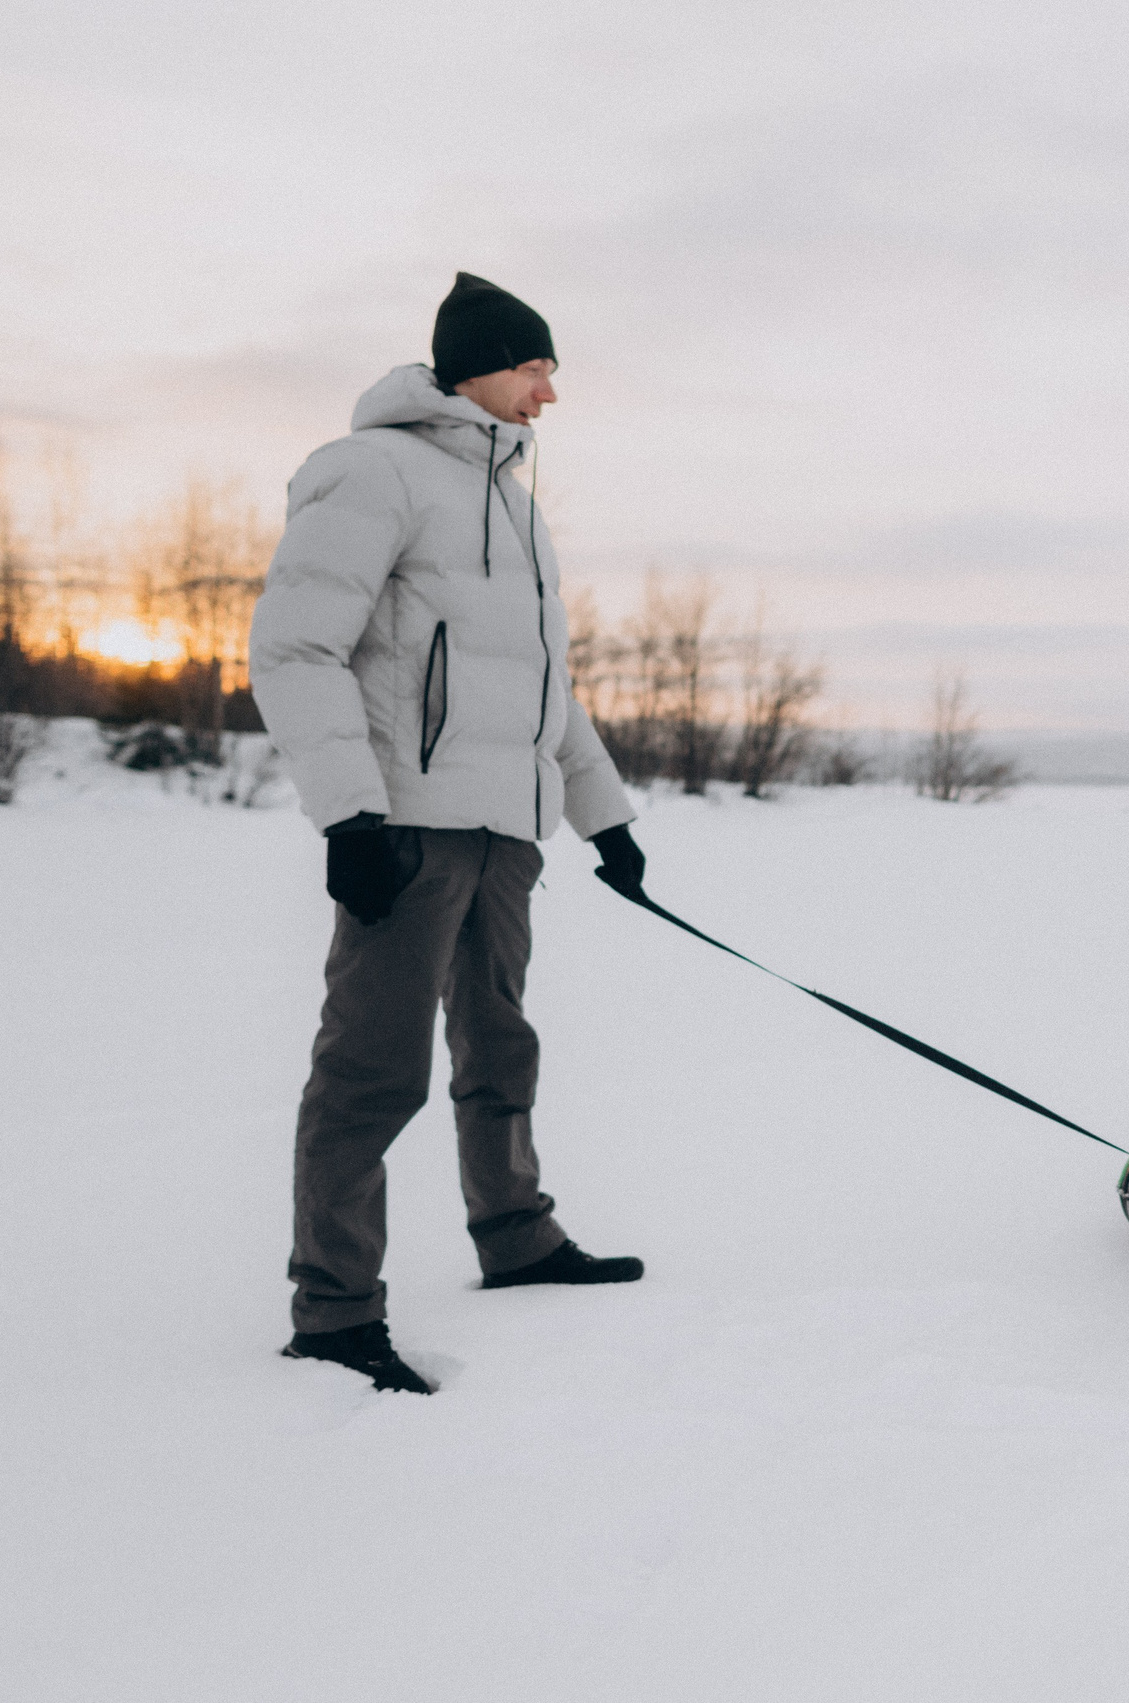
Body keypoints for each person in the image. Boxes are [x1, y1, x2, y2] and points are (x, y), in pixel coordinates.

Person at [249, 272, 650, 1395]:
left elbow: (540, 687)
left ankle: (514, 1232)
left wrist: (602, 818)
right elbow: (295, 649)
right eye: (535, 367)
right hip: (409, 829)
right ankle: (333, 1309)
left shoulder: (514, 502)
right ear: (474, 364)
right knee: (372, 1070)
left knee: (501, 1045)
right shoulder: (371, 470)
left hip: (504, 834)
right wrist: (349, 811)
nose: (551, 392)